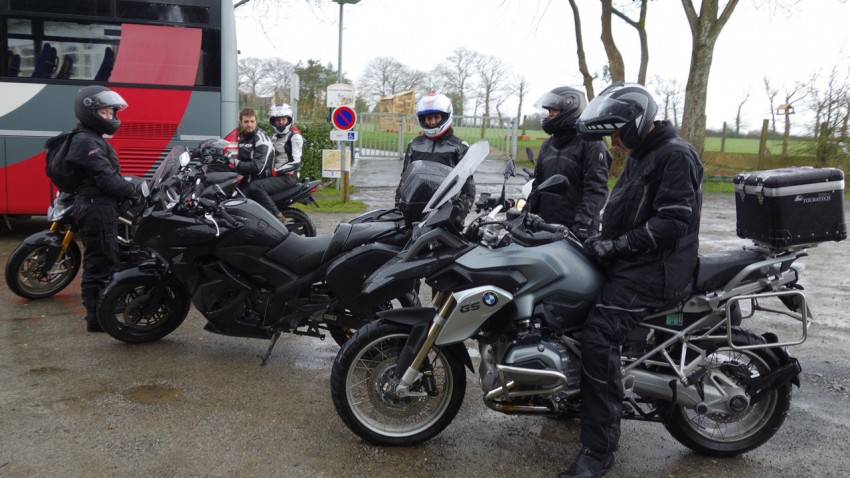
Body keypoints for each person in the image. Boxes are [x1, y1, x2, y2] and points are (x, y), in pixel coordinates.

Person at [561, 82, 703, 478]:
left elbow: (672, 223)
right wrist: (592, 239)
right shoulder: (645, 153)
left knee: (599, 336)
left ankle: (598, 451)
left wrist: (616, 246)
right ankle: (571, 396)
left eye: (618, 132)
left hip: (656, 270)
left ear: (638, 123)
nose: (615, 141)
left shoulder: (674, 155)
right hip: (635, 262)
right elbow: (624, 211)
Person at [66, 86, 142, 333]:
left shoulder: (90, 138)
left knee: (107, 257)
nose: (111, 117)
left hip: (99, 206)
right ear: (90, 112)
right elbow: (107, 180)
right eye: (106, 112)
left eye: (111, 112)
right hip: (96, 208)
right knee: (99, 263)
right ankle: (96, 318)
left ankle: (102, 309)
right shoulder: (86, 141)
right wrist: (135, 190)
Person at [527, 86, 611, 241]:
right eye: (549, 110)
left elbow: (596, 190)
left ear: (571, 109)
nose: (550, 114)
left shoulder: (591, 144)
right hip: (547, 226)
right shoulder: (548, 145)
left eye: (555, 110)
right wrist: (528, 212)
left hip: (577, 230)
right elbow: (538, 184)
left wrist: (583, 223)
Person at [396, 92, 473, 211]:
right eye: (429, 118)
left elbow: (467, 183)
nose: (432, 122)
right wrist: (398, 205)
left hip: (445, 208)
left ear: (445, 116)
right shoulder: (414, 145)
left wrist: (462, 209)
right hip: (416, 205)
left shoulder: (459, 147)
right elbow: (405, 179)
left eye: (437, 117)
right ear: (423, 119)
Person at [243, 104, 303, 222]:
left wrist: (275, 171)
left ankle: (277, 216)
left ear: (289, 119)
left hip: (289, 176)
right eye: (278, 120)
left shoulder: (295, 137)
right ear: (273, 121)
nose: (281, 123)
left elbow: (296, 162)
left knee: (255, 186)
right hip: (277, 174)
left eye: (283, 119)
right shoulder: (274, 137)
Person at [228, 107, 274, 211]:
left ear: (256, 122)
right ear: (241, 122)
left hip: (260, 181)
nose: (249, 124)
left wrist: (236, 163)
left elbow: (257, 166)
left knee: (237, 206)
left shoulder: (261, 138)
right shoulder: (241, 137)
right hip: (247, 179)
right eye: (246, 121)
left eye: (252, 121)